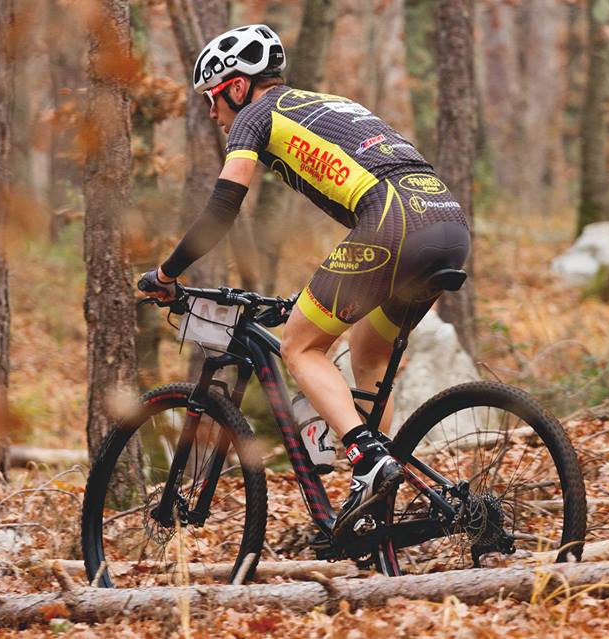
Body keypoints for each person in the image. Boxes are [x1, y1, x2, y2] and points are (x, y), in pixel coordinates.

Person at [139, 24, 470, 538]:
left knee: (299, 347)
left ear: (238, 86)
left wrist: (167, 273)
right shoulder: (324, 103)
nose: (212, 113)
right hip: (446, 221)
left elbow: (224, 207)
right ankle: (376, 505)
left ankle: (364, 459)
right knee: (368, 355)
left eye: (213, 98)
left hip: (395, 223)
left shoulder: (255, 115)